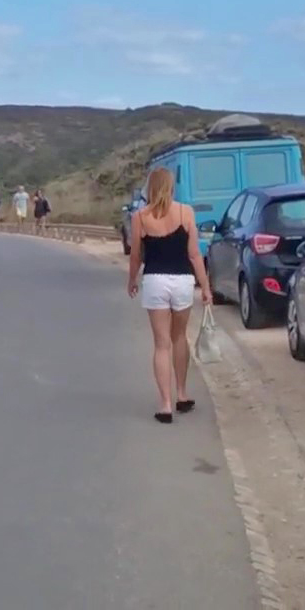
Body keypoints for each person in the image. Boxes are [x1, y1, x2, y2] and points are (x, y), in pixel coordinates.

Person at [127, 167, 212, 424]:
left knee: (161, 343)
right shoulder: (186, 212)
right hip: (182, 281)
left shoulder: (140, 217)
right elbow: (194, 254)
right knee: (179, 338)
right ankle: (183, 394)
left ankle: (165, 404)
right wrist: (205, 286)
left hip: (155, 281)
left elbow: (135, 255)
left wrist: (132, 280)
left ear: (150, 188)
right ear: (172, 187)